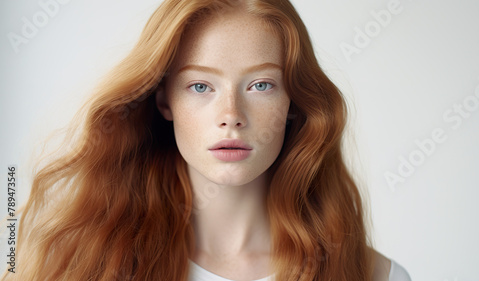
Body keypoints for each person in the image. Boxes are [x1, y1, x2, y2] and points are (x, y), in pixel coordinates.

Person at [2, 0, 412, 280]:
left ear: (294, 101)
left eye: (261, 84)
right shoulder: (77, 265)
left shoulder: (376, 276)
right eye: (200, 86)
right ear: (164, 100)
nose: (231, 116)